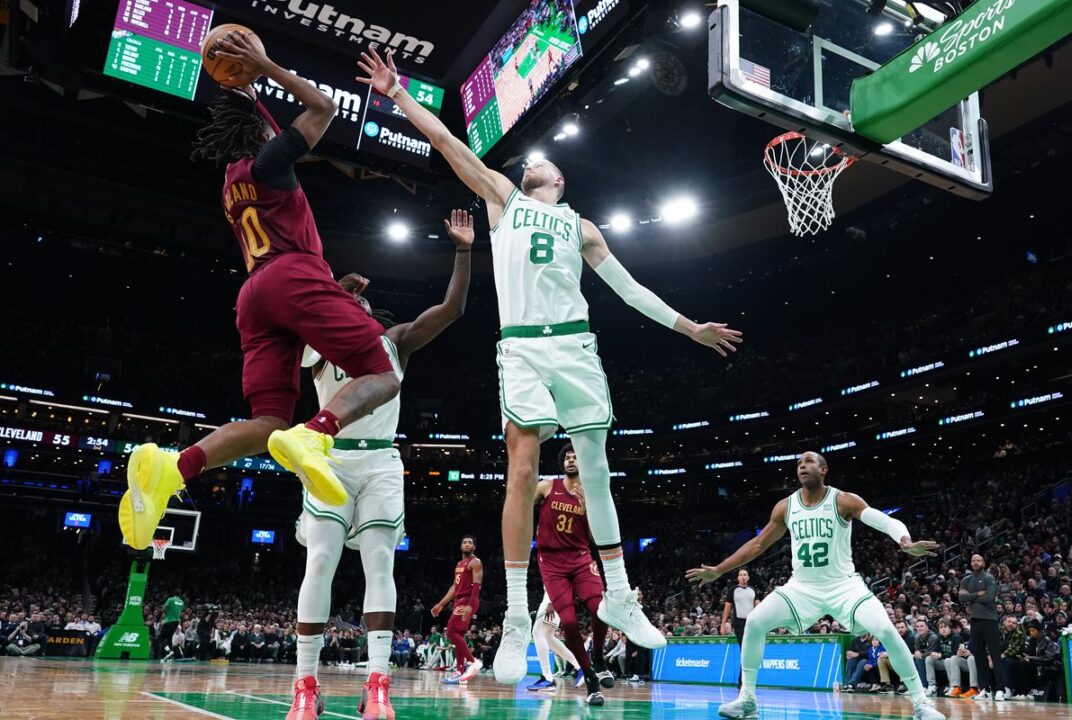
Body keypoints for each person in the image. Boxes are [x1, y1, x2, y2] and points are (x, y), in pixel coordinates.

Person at [356, 49, 742, 684]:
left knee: (595, 471)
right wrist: (398, 95)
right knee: (523, 469)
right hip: (523, 347)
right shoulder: (504, 199)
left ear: (559, 181)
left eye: (544, 163)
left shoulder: (582, 227)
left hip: (576, 345)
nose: (532, 161)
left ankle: (618, 591)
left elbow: (628, 289)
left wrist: (689, 327)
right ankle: (513, 617)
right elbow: (449, 141)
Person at [118, 31, 400, 551]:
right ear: (260, 129)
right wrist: (265, 65)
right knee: (382, 373)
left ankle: (174, 469)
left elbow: (273, 245)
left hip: (257, 294)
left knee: (266, 422)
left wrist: (328, 287)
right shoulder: (271, 160)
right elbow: (324, 108)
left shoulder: (231, 178)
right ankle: (318, 431)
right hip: (292, 275)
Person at [286, 210, 474, 719]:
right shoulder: (318, 348)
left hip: (380, 464)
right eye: (351, 306)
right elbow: (291, 337)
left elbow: (452, 309)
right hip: (329, 460)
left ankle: (378, 684)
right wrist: (332, 293)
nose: (358, 309)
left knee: (379, 564)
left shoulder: (395, 343)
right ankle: (305, 686)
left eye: (363, 305)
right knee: (320, 562)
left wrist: (462, 250)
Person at [686, 452, 945, 720]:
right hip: (801, 587)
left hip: (844, 586)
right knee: (755, 621)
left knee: (886, 630)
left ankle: (920, 703)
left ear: (823, 470)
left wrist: (905, 541)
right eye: (799, 464)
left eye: (808, 462)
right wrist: (718, 570)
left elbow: (884, 520)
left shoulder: (843, 500)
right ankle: (748, 699)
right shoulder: (785, 507)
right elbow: (758, 544)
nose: (802, 466)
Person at [528, 445, 613, 704]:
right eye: (567, 456)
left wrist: (589, 507)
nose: (571, 459)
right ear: (561, 462)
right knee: (569, 623)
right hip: (552, 564)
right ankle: (589, 679)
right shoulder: (546, 487)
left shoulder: (591, 493)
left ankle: (597, 657)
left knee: (602, 609)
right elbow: (520, 504)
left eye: (576, 456)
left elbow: (601, 535)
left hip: (580, 558)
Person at [432, 536, 484, 685]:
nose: (467, 544)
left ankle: (473, 663)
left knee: (451, 632)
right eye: (464, 542)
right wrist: (441, 604)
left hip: (467, 600)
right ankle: (460, 672)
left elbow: (476, 586)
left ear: (474, 547)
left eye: (470, 543)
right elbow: (455, 587)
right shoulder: (460, 564)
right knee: (459, 634)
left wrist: (470, 604)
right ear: (461, 546)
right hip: (458, 601)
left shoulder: (475, 562)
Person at [959, 553, 1004, 701]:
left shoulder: (989, 578)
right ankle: (985, 688)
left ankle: (1000, 689)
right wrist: (978, 593)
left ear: (983, 563)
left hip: (990, 620)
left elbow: (989, 597)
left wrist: (971, 596)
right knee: (978, 657)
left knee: (995, 656)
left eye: (978, 560)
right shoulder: (966, 579)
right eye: (973, 560)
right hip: (975, 621)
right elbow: (961, 598)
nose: (975, 562)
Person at [527, 588, 581, 691]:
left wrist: (551, 602)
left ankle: (548, 678)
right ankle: (580, 667)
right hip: (557, 599)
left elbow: (556, 578)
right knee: (548, 638)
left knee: (538, 633)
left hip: (552, 599)